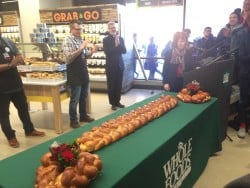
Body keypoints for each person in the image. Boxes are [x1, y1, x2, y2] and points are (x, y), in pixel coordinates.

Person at [0, 34, 45, 148]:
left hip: (16, 83)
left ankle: (29, 130)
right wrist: (11, 64)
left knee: (23, 108)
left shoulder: (7, 41)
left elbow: (18, 55)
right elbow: (12, 63)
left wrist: (20, 58)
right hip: (2, 88)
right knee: (4, 114)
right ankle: (11, 137)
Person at [62, 20, 96, 128]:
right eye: (77, 29)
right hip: (74, 72)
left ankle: (83, 115)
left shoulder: (80, 39)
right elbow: (68, 57)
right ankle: (73, 120)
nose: (80, 31)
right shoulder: (67, 40)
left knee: (83, 96)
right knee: (75, 98)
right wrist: (81, 47)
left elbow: (84, 56)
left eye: (81, 29)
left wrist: (93, 51)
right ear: (71, 29)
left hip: (83, 72)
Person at [103, 21, 127, 111]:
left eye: (114, 28)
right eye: (111, 28)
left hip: (120, 65)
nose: (113, 29)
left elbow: (124, 51)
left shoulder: (121, 38)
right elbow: (108, 53)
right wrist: (115, 45)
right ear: (108, 29)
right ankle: (112, 103)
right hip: (111, 66)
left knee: (118, 85)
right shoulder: (105, 40)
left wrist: (119, 44)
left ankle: (118, 101)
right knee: (111, 85)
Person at [236, 0, 250, 138]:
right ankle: (242, 125)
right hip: (245, 73)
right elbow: (241, 57)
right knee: (242, 100)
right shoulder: (241, 33)